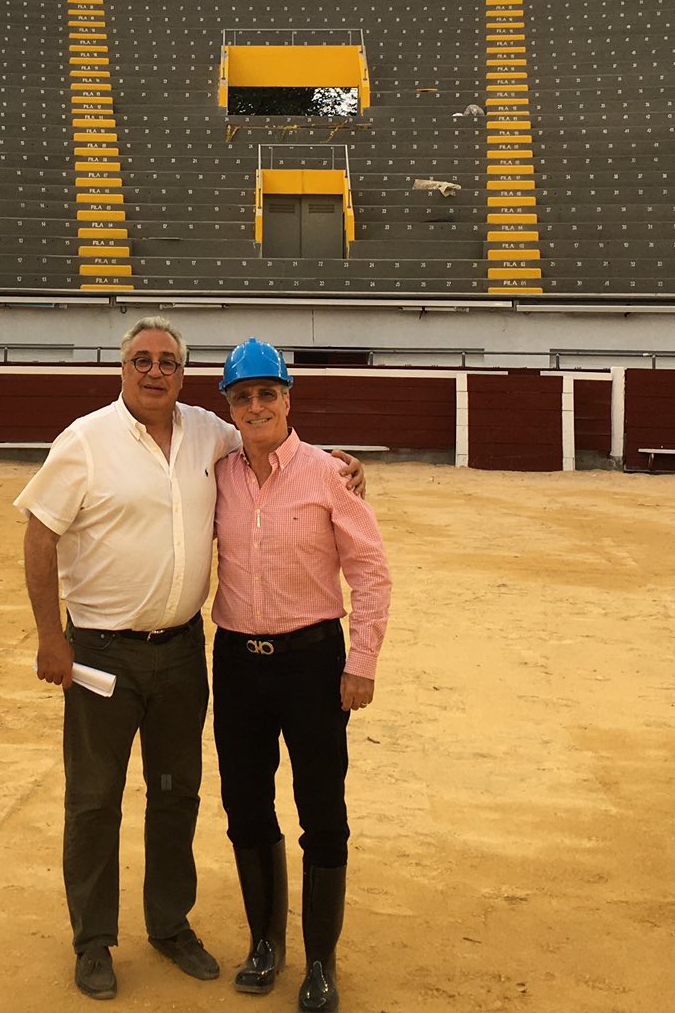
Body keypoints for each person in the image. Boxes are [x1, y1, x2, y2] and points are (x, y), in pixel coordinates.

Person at [16, 317, 364, 1001]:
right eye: (142, 360)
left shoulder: (211, 433)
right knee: (94, 800)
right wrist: (50, 637)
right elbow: (39, 533)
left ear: (183, 374)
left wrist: (339, 464)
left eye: (168, 362)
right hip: (101, 652)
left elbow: (273, 440)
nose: (155, 371)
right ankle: (94, 940)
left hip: (181, 651)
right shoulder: (85, 440)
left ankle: (169, 924)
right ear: (123, 369)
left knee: (176, 794)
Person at [211, 338, 392, 1013]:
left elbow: (370, 572)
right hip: (236, 662)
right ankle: (265, 944)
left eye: (267, 393)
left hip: (313, 662)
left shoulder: (328, 473)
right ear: (229, 407)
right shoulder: (216, 473)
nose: (255, 405)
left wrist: (361, 663)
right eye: (242, 396)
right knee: (245, 804)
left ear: (287, 399)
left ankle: (320, 960)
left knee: (322, 810)